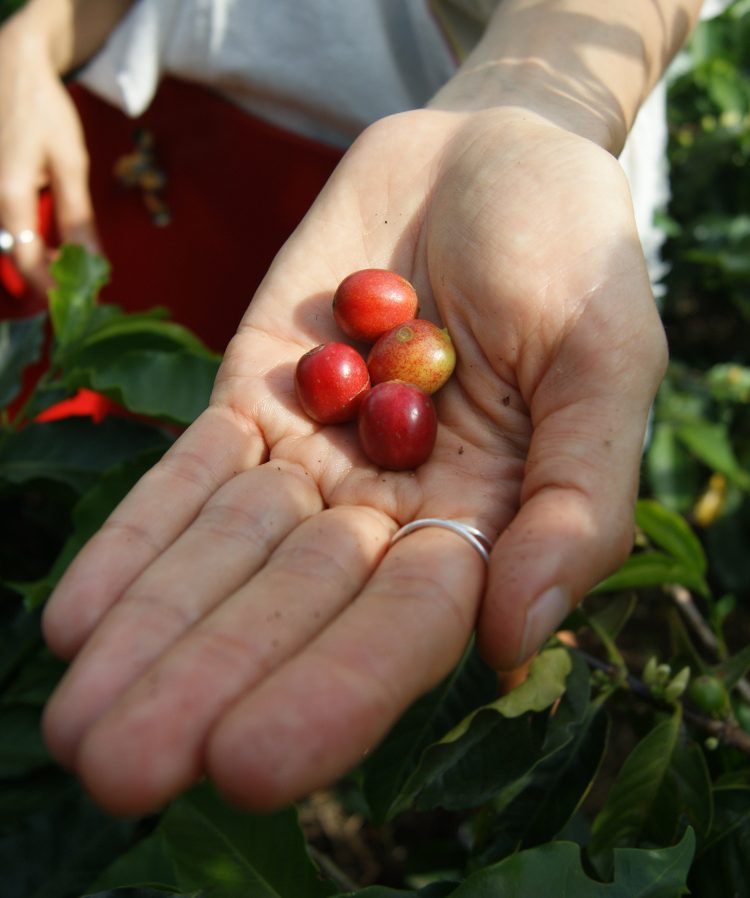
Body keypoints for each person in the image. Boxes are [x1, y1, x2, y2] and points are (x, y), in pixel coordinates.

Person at [0, 0, 725, 816]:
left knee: (507, 549)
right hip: (205, 147)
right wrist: (39, 35)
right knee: (180, 404)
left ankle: (488, 725)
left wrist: (530, 93)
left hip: (462, 201)